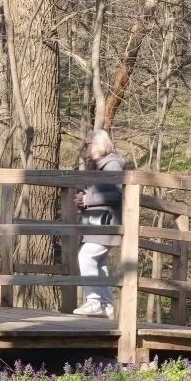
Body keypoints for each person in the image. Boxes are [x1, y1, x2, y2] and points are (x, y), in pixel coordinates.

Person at [73, 129, 124, 318]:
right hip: (95, 222)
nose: (86, 147)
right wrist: (83, 200)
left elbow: (118, 194)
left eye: (89, 144)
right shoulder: (96, 166)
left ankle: (94, 301)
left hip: (106, 222)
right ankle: (106, 305)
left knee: (86, 257)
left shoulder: (112, 165)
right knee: (99, 263)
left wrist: (89, 199)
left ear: (98, 144)